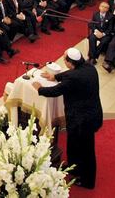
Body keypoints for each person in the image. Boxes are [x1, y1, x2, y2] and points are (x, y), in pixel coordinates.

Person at [34, 48, 102, 189]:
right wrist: (56, 77)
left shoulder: (73, 77)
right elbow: (71, 74)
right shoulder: (89, 67)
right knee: (73, 144)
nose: (64, 61)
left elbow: (55, 91)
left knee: (86, 150)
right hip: (90, 114)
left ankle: (88, 181)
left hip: (83, 120)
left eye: (65, 59)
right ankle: (73, 167)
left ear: (70, 63)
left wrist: (39, 89)